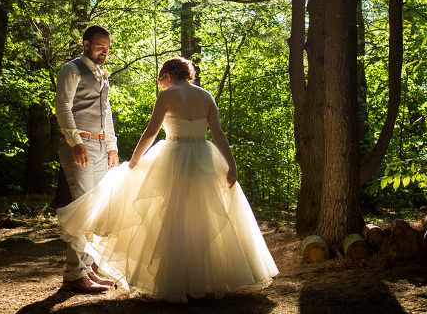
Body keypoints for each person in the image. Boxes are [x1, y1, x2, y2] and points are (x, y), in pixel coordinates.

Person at [57, 57, 279, 302]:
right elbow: (217, 132)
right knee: (203, 217)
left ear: (170, 75)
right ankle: (205, 280)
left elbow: (151, 132)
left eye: (161, 79)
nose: (160, 84)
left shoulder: (167, 96)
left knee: (173, 219)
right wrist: (231, 164)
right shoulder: (206, 96)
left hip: (174, 157)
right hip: (204, 158)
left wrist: (134, 161)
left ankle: (178, 281)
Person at [55, 25, 120, 293]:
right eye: (99, 46)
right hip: (80, 146)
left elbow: (106, 113)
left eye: (107, 47)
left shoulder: (101, 74)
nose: (104, 51)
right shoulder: (71, 70)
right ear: (85, 44)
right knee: (82, 209)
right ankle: (74, 274)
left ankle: (89, 270)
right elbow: (62, 107)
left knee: (96, 210)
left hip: (102, 147)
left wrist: (112, 146)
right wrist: (76, 142)